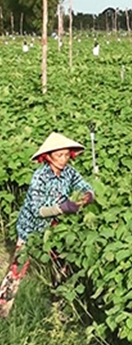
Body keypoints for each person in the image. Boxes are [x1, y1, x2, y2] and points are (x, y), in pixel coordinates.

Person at [0, 132, 94, 317]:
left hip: (55, 229)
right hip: (31, 228)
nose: (63, 159)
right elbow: (38, 210)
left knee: (61, 265)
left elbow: (84, 185)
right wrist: (62, 208)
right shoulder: (39, 177)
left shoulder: (69, 172)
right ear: (48, 157)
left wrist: (88, 194)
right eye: (59, 155)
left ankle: (58, 307)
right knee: (19, 266)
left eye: (67, 155)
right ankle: (3, 307)